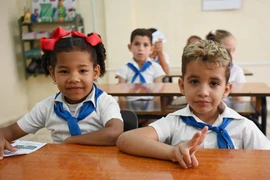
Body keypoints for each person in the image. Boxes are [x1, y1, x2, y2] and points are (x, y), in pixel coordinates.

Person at [116, 40, 270, 169]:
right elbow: (126, 140)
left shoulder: (243, 127)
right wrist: (172, 152)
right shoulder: (175, 122)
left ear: (226, 89)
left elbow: (265, 161)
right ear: (182, 86)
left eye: (214, 83)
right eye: (194, 81)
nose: (203, 92)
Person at [0, 27, 124, 159]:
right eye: (64, 71)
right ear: (53, 73)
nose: (74, 79)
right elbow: (10, 131)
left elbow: (115, 132)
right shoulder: (47, 107)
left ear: (95, 72)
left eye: (82, 71)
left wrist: (72, 141)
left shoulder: (105, 102)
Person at [115, 28, 165, 126]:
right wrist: (127, 113)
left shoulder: (156, 68)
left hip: (151, 107)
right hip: (130, 106)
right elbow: (121, 95)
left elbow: (158, 93)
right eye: (137, 44)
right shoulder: (124, 68)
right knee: (124, 126)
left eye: (145, 45)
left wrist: (152, 112)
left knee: (154, 126)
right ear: (130, 47)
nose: (141, 48)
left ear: (152, 49)